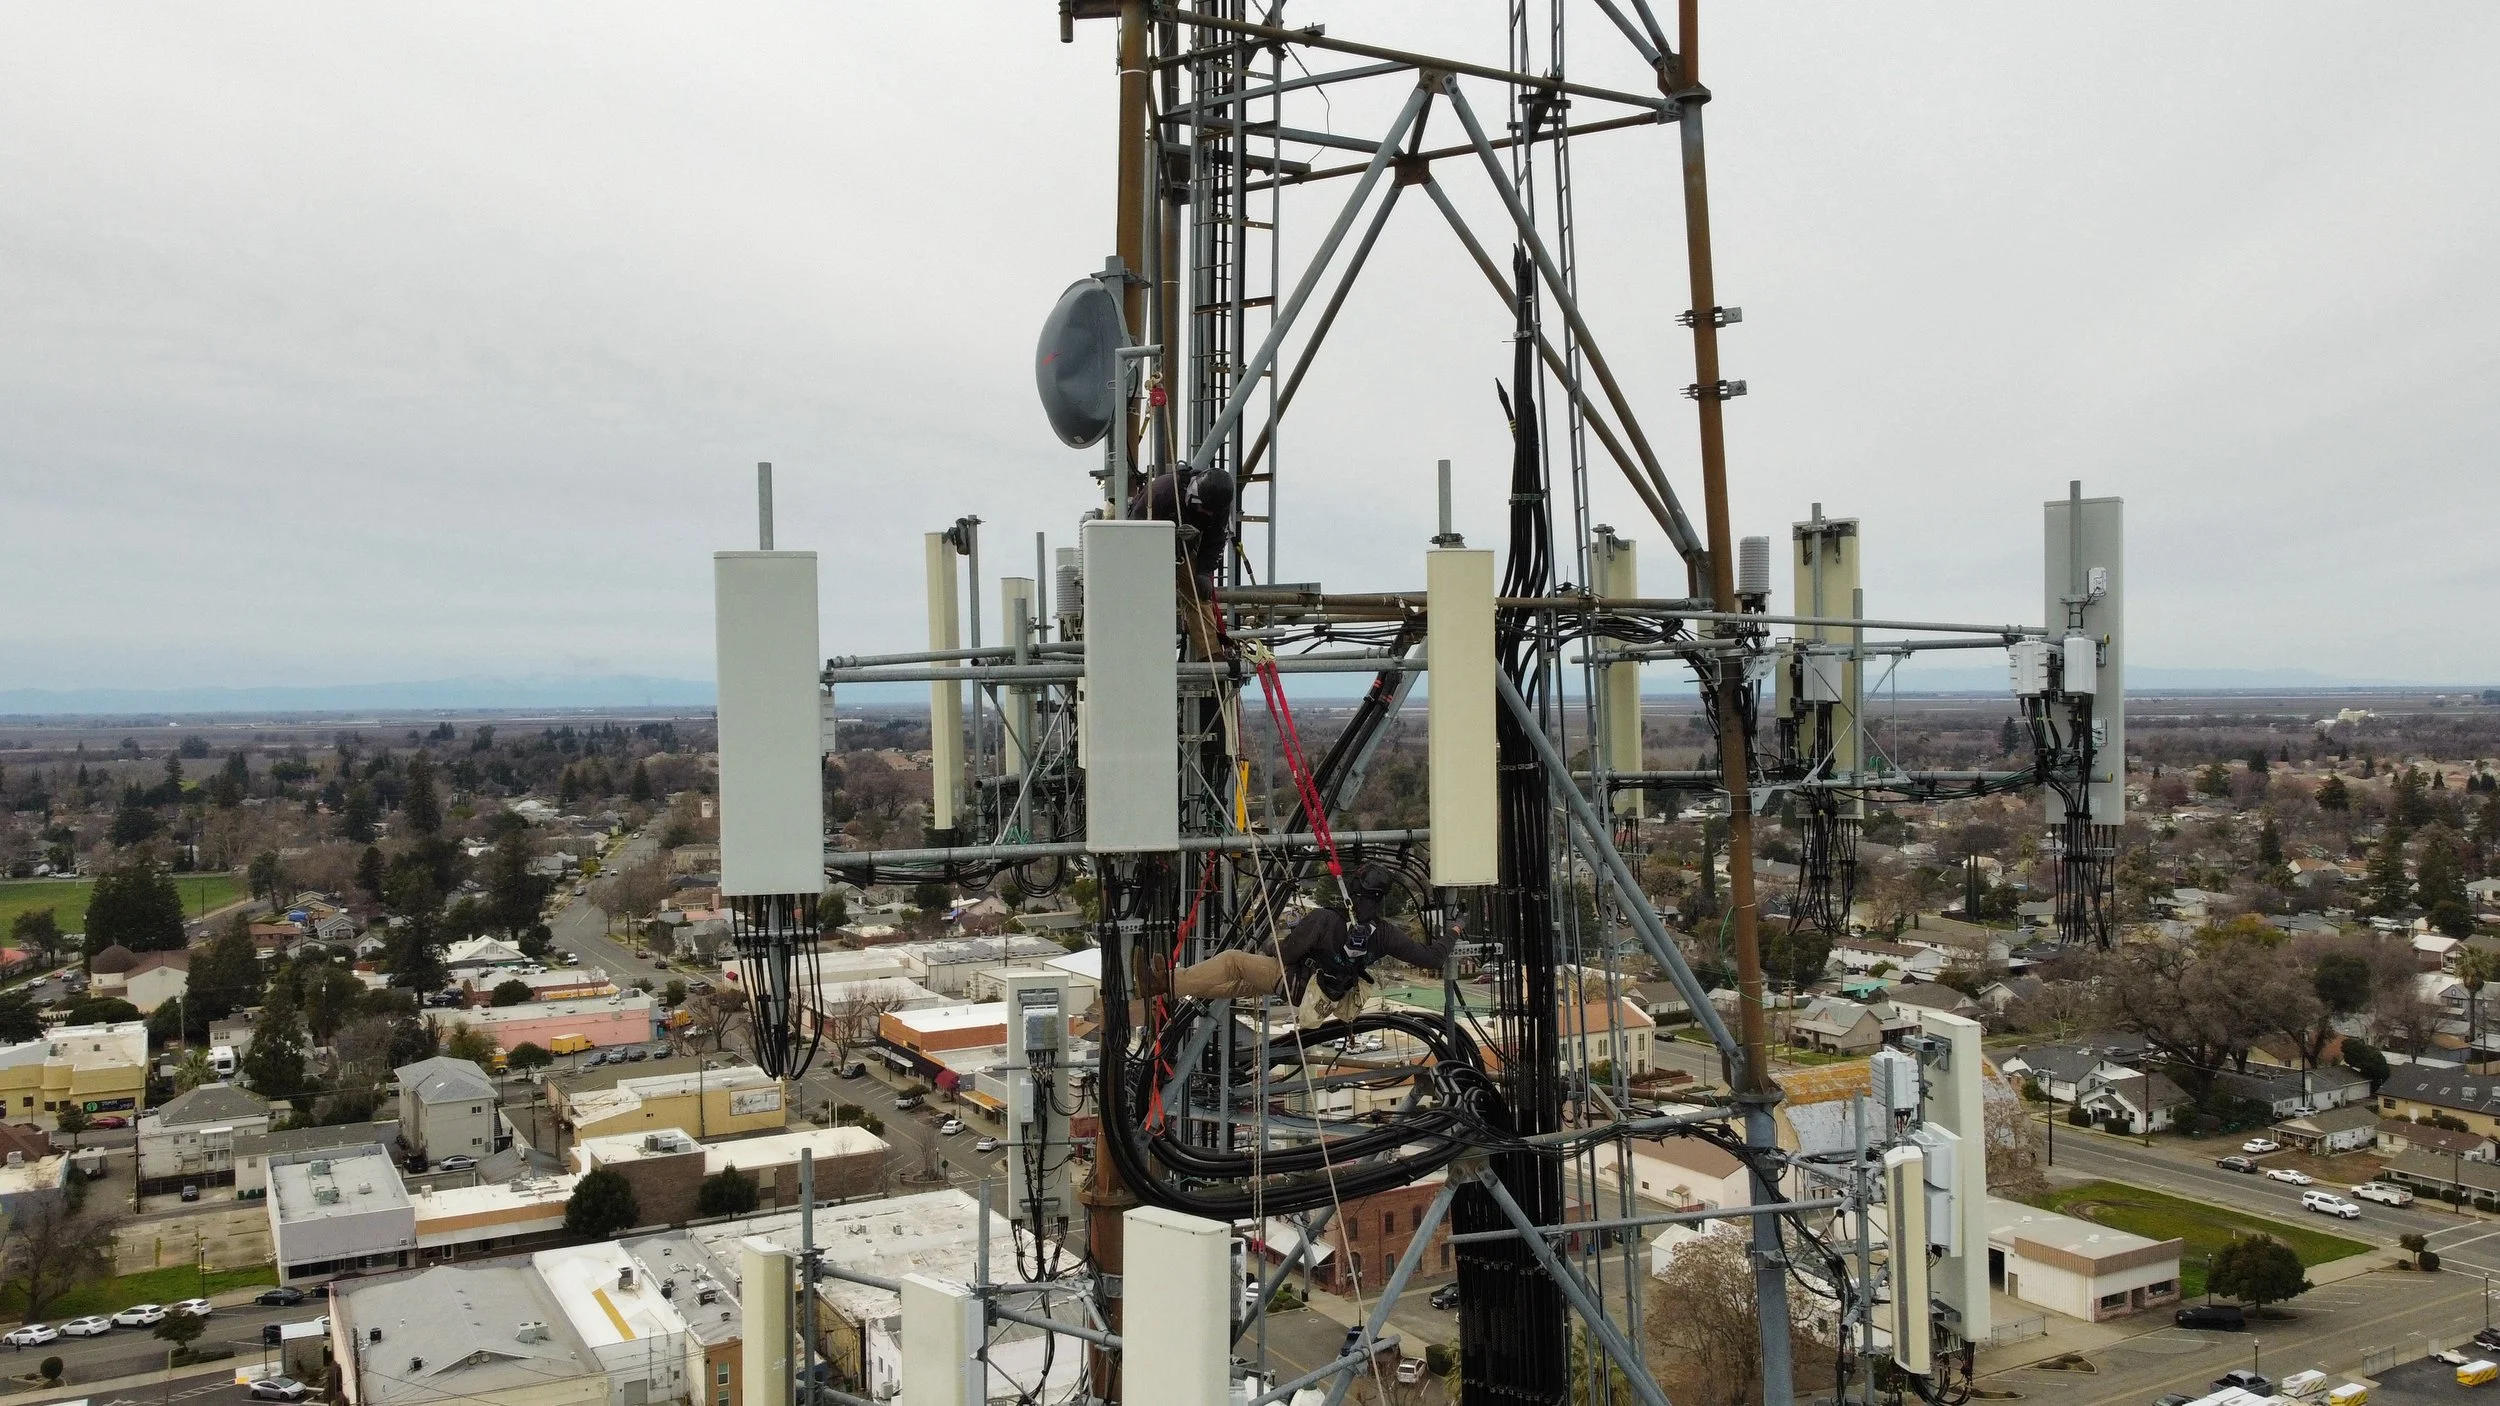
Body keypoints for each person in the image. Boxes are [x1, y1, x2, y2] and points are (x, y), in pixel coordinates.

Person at [1170, 866, 1456, 1028]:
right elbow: (1432, 959)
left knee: (1233, 962)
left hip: (1296, 980)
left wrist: (1271, 946)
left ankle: (1167, 982)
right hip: (1317, 992)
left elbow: (1287, 954)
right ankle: (1164, 994)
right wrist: (1454, 931)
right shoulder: (1383, 934)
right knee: (1236, 985)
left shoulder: (1326, 919)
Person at [1128, 465, 1236, 597]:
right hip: (1146, 550)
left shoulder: (1219, 507)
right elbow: (1134, 530)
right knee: (1144, 592)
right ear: (1195, 498)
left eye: (1213, 512)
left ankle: (1202, 616)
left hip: (1182, 552)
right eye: (1206, 508)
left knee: (1198, 594)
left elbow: (1215, 540)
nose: (1209, 514)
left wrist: (1203, 572)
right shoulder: (1162, 492)